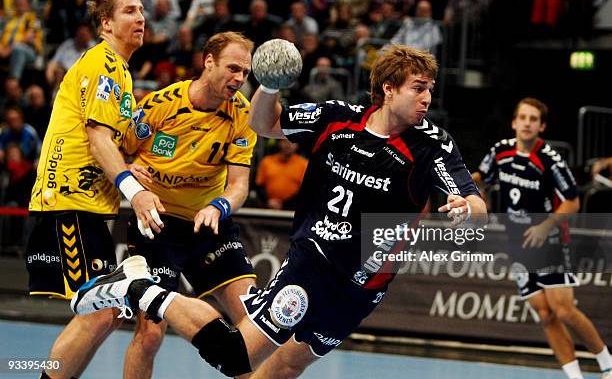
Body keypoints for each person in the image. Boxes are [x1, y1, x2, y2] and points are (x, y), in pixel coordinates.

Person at [70, 44, 486, 378]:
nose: (428, 97)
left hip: (363, 287)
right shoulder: (338, 119)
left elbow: (477, 207)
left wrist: (466, 209)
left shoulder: (433, 143)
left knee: (286, 366)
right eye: (418, 87)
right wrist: (268, 86)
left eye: (430, 87)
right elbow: (265, 125)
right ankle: (136, 287)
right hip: (314, 262)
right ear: (389, 89)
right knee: (235, 357)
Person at [26, 0, 165, 379]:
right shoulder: (102, 64)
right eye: (129, 11)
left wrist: (127, 162)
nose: (140, 17)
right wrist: (133, 189)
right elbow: (96, 137)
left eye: (141, 11)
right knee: (101, 309)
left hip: (88, 204)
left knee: (104, 313)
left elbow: (105, 143)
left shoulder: (120, 72)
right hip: (69, 200)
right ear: (105, 23)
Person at [120, 31, 257, 378]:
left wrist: (219, 206)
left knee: (254, 324)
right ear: (207, 62)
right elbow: (119, 155)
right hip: (157, 226)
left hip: (208, 223)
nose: (239, 78)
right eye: (233, 68)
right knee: (150, 334)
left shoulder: (244, 113)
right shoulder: (160, 104)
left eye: (245, 72)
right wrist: (128, 172)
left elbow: (240, 185)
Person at [472, 97, 612, 379]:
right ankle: (574, 375)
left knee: (563, 310)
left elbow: (572, 202)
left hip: (549, 240)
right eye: (522, 117)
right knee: (544, 313)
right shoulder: (500, 152)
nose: (527, 123)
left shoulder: (550, 159)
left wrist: (545, 226)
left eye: (533, 119)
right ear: (514, 122)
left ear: (541, 126)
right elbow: (479, 178)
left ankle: (607, 364)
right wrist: (475, 197)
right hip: (518, 243)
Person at [255, 138, 308, 210]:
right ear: (279, 143)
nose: (288, 145)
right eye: (285, 141)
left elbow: (305, 191)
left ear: (297, 145)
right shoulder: (267, 161)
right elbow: (259, 186)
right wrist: (268, 201)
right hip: (267, 208)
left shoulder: (304, 164)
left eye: (292, 142)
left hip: (293, 210)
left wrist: (284, 205)